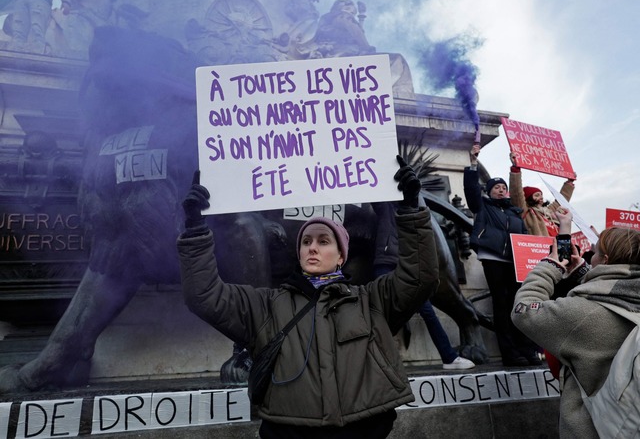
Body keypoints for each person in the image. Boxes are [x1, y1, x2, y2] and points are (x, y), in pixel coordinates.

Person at [177, 156, 440, 438]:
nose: (312, 247)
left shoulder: (372, 300)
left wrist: (411, 211)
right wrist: (195, 229)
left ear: (341, 256)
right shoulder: (265, 305)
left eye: (323, 241)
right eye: (306, 241)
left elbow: (420, 277)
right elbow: (203, 295)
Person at [511, 227, 640, 438]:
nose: (591, 255)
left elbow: (523, 310)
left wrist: (549, 267)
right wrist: (585, 272)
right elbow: (615, 289)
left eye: (594, 252)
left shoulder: (580, 315)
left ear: (605, 260)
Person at [372, 201, 474, 370]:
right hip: (386, 263)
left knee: (428, 312)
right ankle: (374, 362)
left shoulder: (414, 210)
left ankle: (449, 357)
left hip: (408, 268)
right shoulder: (385, 205)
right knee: (380, 315)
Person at [463, 143, 539, 366]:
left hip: (516, 262)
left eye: (503, 186)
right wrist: (473, 164)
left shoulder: (515, 212)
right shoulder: (483, 206)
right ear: (489, 191)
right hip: (494, 259)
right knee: (502, 304)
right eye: (496, 187)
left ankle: (527, 349)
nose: (501, 189)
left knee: (520, 304)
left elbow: (523, 233)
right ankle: (510, 352)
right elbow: (471, 191)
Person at [508, 152, 576, 237]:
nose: (541, 197)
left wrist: (569, 182)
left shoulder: (548, 211)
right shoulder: (526, 212)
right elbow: (517, 193)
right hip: (540, 248)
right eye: (536, 195)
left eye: (541, 195)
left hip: (556, 247)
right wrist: (516, 169)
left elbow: (561, 200)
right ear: (528, 198)